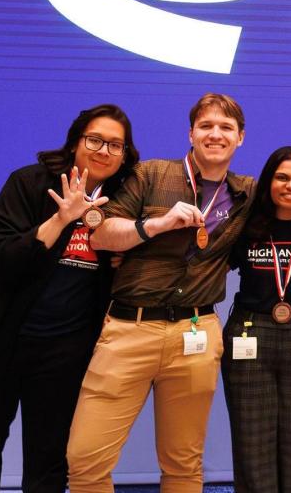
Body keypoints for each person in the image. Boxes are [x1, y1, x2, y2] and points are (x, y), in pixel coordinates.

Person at [66, 93, 256, 493]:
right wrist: (156, 225)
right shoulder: (151, 174)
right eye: (206, 126)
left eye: (226, 127)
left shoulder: (247, 194)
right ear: (191, 133)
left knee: (184, 464)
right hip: (129, 329)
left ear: (240, 138)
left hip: (197, 331)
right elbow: (100, 235)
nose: (215, 135)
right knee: (85, 459)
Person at [0, 104, 138, 493]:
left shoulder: (120, 201)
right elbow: (1, 260)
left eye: (116, 145)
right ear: (75, 143)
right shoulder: (30, 184)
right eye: (95, 140)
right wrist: (60, 219)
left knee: (49, 461)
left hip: (64, 353)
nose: (104, 151)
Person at [222, 146, 291, 493]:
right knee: (252, 441)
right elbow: (203, 263)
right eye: (282, 177)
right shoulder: (245, 226)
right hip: (249, 334)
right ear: (268, 181)